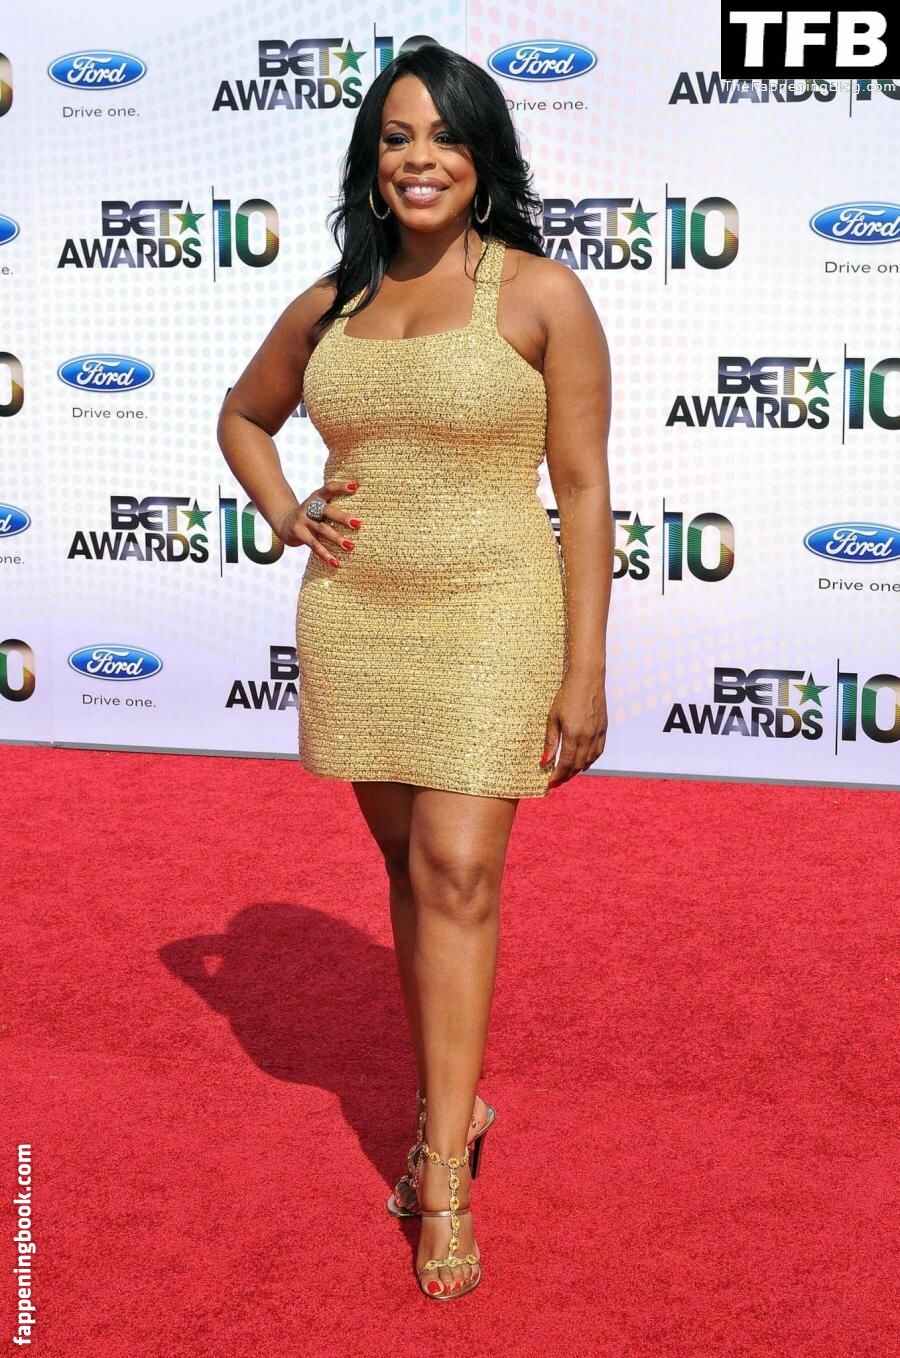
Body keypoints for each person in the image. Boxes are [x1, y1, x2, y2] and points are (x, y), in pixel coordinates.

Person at [217, 41, 612, 1301]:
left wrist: (586, 671)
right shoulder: (330, 303)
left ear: (483, 156)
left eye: (444, 135)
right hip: (361, 613)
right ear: (371, 161)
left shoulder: (540, 294)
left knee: (456, 867)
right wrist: (285, 509)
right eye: (397, 137)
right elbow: (243, 414)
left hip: (496, 608)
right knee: (408, 869)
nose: (420, 157)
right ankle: (459, 1096)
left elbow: (585, 490)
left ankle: (442, 1167)